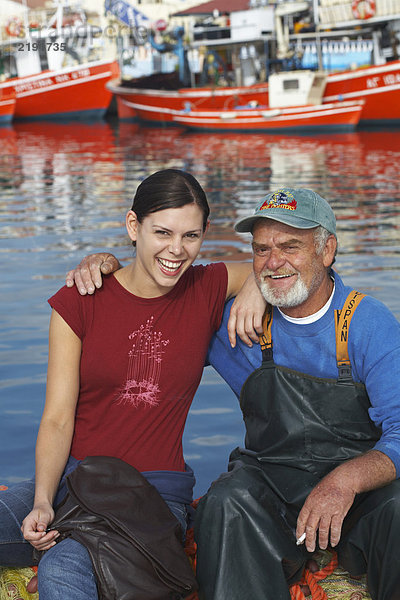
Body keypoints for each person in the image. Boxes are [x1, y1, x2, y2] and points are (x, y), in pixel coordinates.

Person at [74, 187, 400, 600]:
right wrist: (105, 265)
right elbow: (151, 294)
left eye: (289, 246)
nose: (273, 261)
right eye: (261, 250)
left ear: (327, 250)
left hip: (361, 496)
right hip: (272, 486)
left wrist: (346, 480)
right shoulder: (232, 325)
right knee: (225, 503)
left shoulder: (368, 322)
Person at [0, 168, 265, 600]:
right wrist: (44, 501)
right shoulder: (80, 300)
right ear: (132, 226)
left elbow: (281, 265)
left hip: (154, 496)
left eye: (191, 236)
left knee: (63, 573)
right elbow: (57, 418)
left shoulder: (205, 287)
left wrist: (254, 286)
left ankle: (73, 552)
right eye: (162, 232)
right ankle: (69, 539)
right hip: (74, 481)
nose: (176, 250)